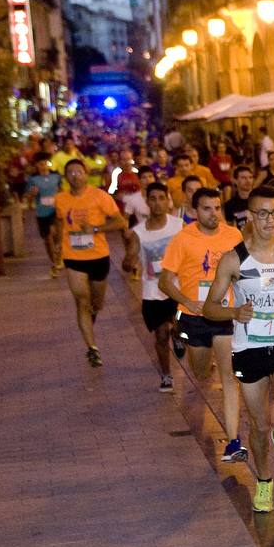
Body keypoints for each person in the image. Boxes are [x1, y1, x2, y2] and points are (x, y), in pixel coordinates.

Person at [202, 186, 274, 514]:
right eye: (261, 213)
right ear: (249, 216)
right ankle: (264, 480)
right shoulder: (234, 259)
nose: (269, 220)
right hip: (248, 347)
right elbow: (209, 308)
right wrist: (234, 313)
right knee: (260, 425)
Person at [160, 188, 247, 463]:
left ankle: (233, 441)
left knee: (229, 377)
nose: (214, 214)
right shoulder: (182, 239)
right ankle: (189, 346)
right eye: (207, 208)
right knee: (200, 373)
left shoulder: (234, 236)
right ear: (194, 211)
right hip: (193, 316)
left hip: (223, 315)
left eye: (218, 207)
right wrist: (188, 301)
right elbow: (164, 281)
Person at [53, 158, 127, 367]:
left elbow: (120, 221)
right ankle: (92, 348)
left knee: (97, 302)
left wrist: (95, 229)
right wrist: (59, 244)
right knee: (81, 300)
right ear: (66, 177)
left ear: (86, 174)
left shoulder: (100, 196)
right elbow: (60, 221)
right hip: (73, 257)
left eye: (79, 172)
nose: (75, 176)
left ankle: (92, 313)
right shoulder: (61, 199)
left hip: (98, 255)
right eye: (71, 173)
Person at [123, 182, 183, 391]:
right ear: (147, 202)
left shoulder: (179, 225)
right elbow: (129, 257)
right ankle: (166, 375)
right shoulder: (138, 232)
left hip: (178, 288)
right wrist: (129, 261)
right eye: (153, 199)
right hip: (153, 292)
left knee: (178, 326)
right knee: (160, 334)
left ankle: (178, 333)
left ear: (168, 200)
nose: (157, 203)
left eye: (161, 198)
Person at [25, 152, 63, 276]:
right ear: (36, 165)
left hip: (55, 210)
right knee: (47, 238)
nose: (43, 166)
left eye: (45, 163)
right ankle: (54, 262)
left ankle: (59, 256)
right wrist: (33, 193)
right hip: (42, 212)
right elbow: (28, 195)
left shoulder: (56, 176)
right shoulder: (33, 179)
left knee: (57, 234)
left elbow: (62, 191)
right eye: (40, 164)